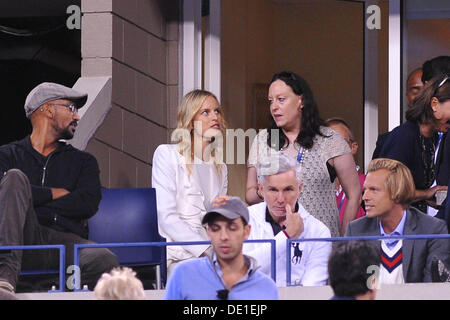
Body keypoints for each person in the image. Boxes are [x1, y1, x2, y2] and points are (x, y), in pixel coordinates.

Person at [0, 82, 119, 298]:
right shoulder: (7, 155)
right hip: (22, 239)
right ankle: (4, 279)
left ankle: (46, 286)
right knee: (15, 178)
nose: (77, 117)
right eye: (71, 108)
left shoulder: (83, 161)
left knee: (104, 259)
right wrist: (54, 193)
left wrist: (28, 198)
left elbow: (86, 203)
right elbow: (6, 196)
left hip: (65, 241)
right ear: (47, 109)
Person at [246, 71, 361, 237]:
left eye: (281, 99)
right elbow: (250, 193)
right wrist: (269, 189)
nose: (274, 107)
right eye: (270, 101)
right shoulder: (263, 140)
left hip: (321, 242)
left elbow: (354, 194)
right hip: (276, 241)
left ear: (301, 100)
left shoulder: (330, 140)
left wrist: (342, 241)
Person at [152, 89, 228, 273]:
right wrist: (205, 250)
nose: (214, 117)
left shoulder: (220, 167)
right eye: (206, 112)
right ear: (191, 121)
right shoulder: (167, 154)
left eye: (217, 111)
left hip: (212, 255)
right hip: (179, 255)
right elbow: (166, 217)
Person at [345, 158, 450, 284]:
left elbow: (432, 289)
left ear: (397, 192)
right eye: (365, 190)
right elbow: (350, 286)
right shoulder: (356, 230)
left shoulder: (433, 230)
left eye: (374, 190)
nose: (365, 197)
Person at [164, 196, 279, 300]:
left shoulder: (266, 287)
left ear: (246, 231)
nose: (223, 236)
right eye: (215, 228)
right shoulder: (183, 274)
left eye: (232, 228)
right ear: (208, 232)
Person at [243, 153, 331, 287]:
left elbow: (313, 288)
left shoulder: (319, 231)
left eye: (288, 190)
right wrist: (286, 236)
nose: (280, 199)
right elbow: (241, 271)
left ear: (300, 189)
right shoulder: (245, 219)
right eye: (273, 190)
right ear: (261, 189)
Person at [379, 74, 450, 213]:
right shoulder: (404, 136)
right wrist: (426, 194)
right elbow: (388, 187)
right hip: (395, 222)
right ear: (434, 104)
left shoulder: (434, 137)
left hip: (416, 219)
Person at [372, 68, 424, 159]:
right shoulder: (388, 140)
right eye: (415, 91)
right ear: (407, 95)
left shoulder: (442, 137)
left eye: (426, 91)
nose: (421, 96)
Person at [325, 118, 366, 225]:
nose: (333, 147)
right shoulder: (315, 185)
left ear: (353, 147)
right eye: (327, 142)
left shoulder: (367, 185)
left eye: (339, 141)